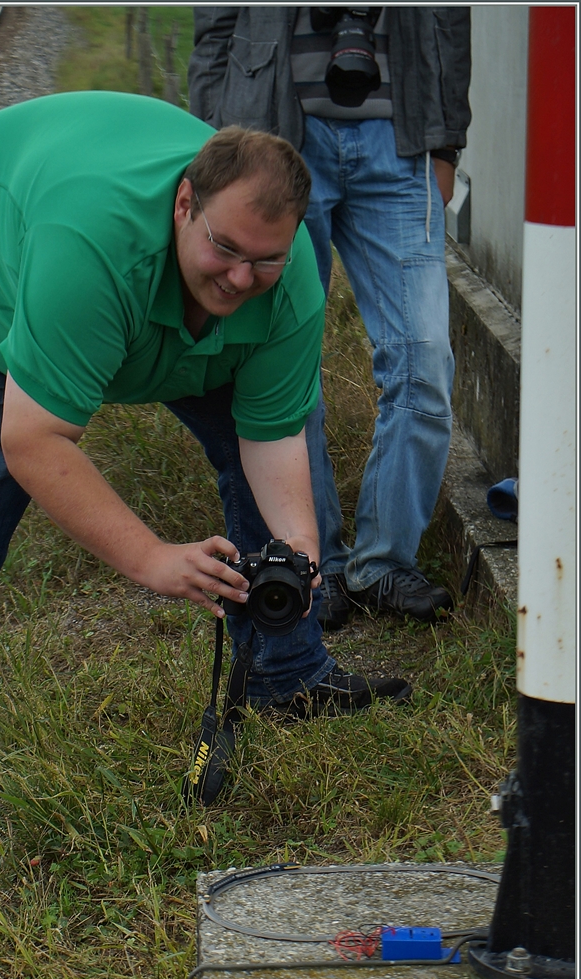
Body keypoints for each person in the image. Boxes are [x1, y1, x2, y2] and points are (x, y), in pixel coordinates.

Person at [0, 91, 410, 836]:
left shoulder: (287, 280)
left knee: (276, 485)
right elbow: (34, 443)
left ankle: (290, 674)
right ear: (185, 203)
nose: (243, 280)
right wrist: (152, 557)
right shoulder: (90, 252)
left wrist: (303, 554)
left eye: (266, 260)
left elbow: (275, 437)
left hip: (136, 299)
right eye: (226, 249)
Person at [189, 7, 472, 629]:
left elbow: (450, 17)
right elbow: (216, 22)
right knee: (282, 361)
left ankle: (385, 563)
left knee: (423, 357)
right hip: (272, 131)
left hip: (402, 136)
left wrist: (448, 138)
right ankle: (317, 564)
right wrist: (209, 138)